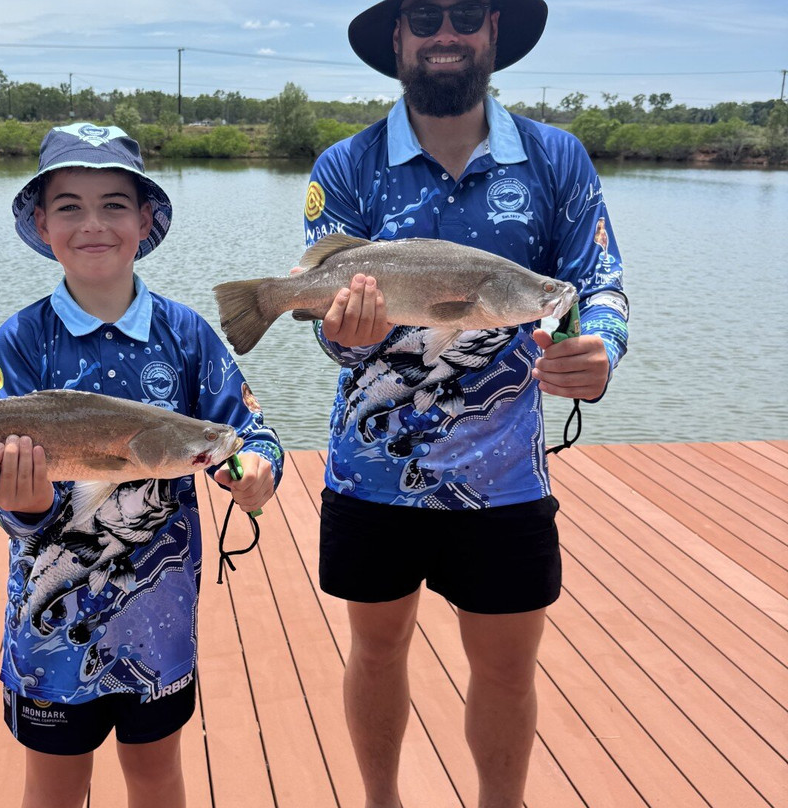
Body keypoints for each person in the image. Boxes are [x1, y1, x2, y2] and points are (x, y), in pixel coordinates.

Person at [302, 2, 629, 807]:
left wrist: (599, 347)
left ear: (492, 33)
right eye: (425, 16)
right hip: (373, 475)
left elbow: (595, 284)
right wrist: (344, 334)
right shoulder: (345, 165)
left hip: (507, 477)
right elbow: (329, 331)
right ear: (397, 38)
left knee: (508, 668)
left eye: (464, 14)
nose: (444, 33)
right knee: (376, 651)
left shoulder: (556, 158)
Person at [0, 122, 283, 808]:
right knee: (55, 787)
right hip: (49, 629)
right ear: (42, 223)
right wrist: (24, 502)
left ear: (145, 220)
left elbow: (247, 430)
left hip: (160, 622)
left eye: (114, 205)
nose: (93, 224)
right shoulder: (22, 339)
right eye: (70, 207)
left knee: (156, 775)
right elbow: (6, 499)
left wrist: (257, 470)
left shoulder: (187, 333)